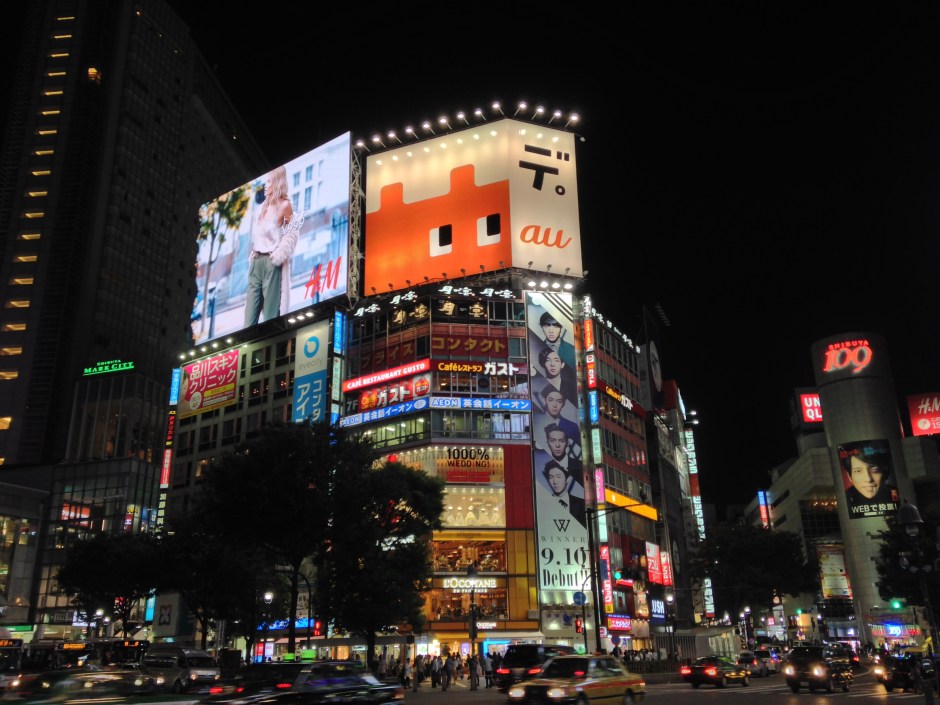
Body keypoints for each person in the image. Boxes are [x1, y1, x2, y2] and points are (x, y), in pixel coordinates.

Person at [244, 165, 298, 327]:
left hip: (271, 262)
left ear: (277, 182)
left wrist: (279, 254)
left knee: (270, 318)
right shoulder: (263, 207)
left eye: (269, 181)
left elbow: (293, 233)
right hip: (256, 262)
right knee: (248, 321)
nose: (266, 185)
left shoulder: (284, 205)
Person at [839, 442, 898, 516]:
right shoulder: (844, 499)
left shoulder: (896, 494)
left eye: (875, 470)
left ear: (884, 472)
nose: (868, 479)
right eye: (858, 471)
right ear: (849, 476)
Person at [538, 385, 581, 458]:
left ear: (563, 404)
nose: (554, 405)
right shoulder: (536, 423)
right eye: (550, 400)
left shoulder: (572, 427)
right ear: (545, 400)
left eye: (559, 401)